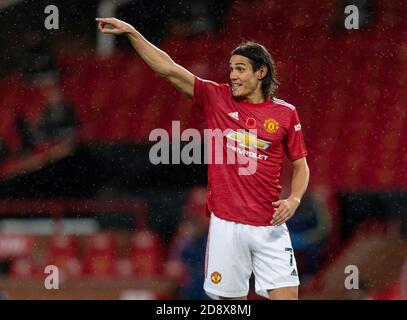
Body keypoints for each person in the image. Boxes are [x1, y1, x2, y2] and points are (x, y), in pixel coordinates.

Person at [96, 17, 310, 300]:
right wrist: (134, 33)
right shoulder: (216, 97)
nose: (232, 75)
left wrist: (294, 199)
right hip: (227, 226)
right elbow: (168, 68)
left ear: (261, 72)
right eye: (231, 68)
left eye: (240, 69)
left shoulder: (285, 113)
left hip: (269, 226)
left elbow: (301, 165)